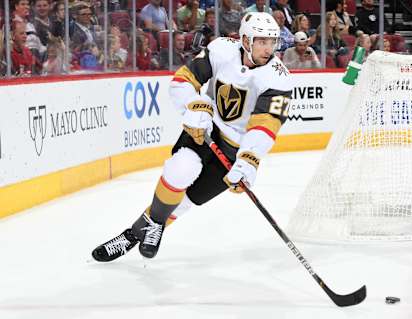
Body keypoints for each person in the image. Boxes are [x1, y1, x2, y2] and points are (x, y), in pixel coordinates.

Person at [91, 12, 293, 262]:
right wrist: (195, 104)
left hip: (235, 149)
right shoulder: (222, 49)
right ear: (245, 40)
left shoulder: (278, 77)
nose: (268, 48)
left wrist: (249, 160)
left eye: (272, 42)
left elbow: (266, 125)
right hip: (205, 130)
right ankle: (149, 229)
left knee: (185, 202)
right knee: (181, 168)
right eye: (261, 41)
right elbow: (183, 80)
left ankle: (133, 234)